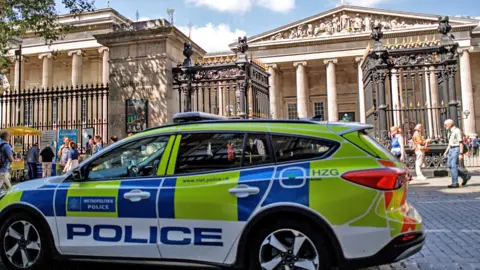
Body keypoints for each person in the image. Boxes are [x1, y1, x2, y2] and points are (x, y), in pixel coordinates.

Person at [444, 119, 471, 188]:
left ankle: (455, 182)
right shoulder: (449, 131)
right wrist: (446, 151)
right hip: (451, 149)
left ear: (450, 124)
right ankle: (465, 176)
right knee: (449, 165)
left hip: (456, 148)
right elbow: (450, 143)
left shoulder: (457, 131)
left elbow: (460, 143)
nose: (444, 126)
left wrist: (461, 153)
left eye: (445, 124)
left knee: (453, 165)